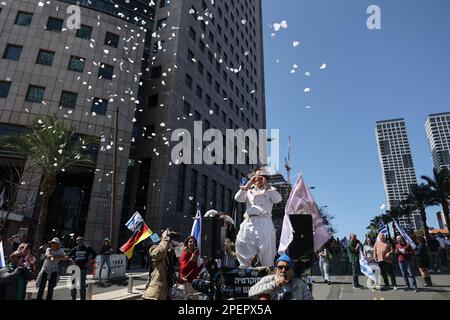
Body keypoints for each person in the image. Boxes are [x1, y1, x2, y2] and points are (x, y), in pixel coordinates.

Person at [234, 168, 282, 268]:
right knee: (242, 246)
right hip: (249, 221)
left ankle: (268, 272)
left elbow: (278, 199)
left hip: (264, 221)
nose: (259, 179)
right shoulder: (248, 190)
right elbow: (238, 198)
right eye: (256, 176)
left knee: (266, 251)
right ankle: (244, 272)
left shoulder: (270, 190)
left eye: (262, 176)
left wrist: (267, 185)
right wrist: (248, 183)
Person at [248, 254, 313, 300]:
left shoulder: (299, 284)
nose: (283, 270)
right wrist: (275, 284)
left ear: (292, 272)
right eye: (280, 267)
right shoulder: (267, 279)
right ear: (276, 270)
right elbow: (251, 292)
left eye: (287, 268)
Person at [142, 229, 179, 300]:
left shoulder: (169, 254)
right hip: (155, 295)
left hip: (165, 293)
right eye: (174, 238)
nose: (176, 241)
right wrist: (166, 239)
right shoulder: (154, 248)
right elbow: (159, 253)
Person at [67, 236, 97, 300]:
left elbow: (95, 254)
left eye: (81, 239)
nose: (79, 241)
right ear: (76, 241)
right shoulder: (75, 248)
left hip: (83, 269)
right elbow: (68, 256)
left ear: (83, 241)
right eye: (78, 240)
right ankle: (73, 298)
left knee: (82, 285)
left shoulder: (87, 248)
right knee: (73, 284)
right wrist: (71, 260)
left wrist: (90, 261)